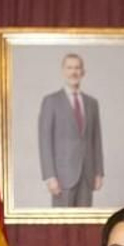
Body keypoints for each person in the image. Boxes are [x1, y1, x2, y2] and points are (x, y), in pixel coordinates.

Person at [38, 53, 104, 208]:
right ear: (63, 71)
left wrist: (99, 172)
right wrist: (49, 176)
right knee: (62, 227)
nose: (73, 72)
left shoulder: (92, 103)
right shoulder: (51, 101)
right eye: (69, 68)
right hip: (62, 177)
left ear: (83, 72)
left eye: (77, 68)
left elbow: (96, 139)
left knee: (86, 226)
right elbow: (44, 141)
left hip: (87, 175)